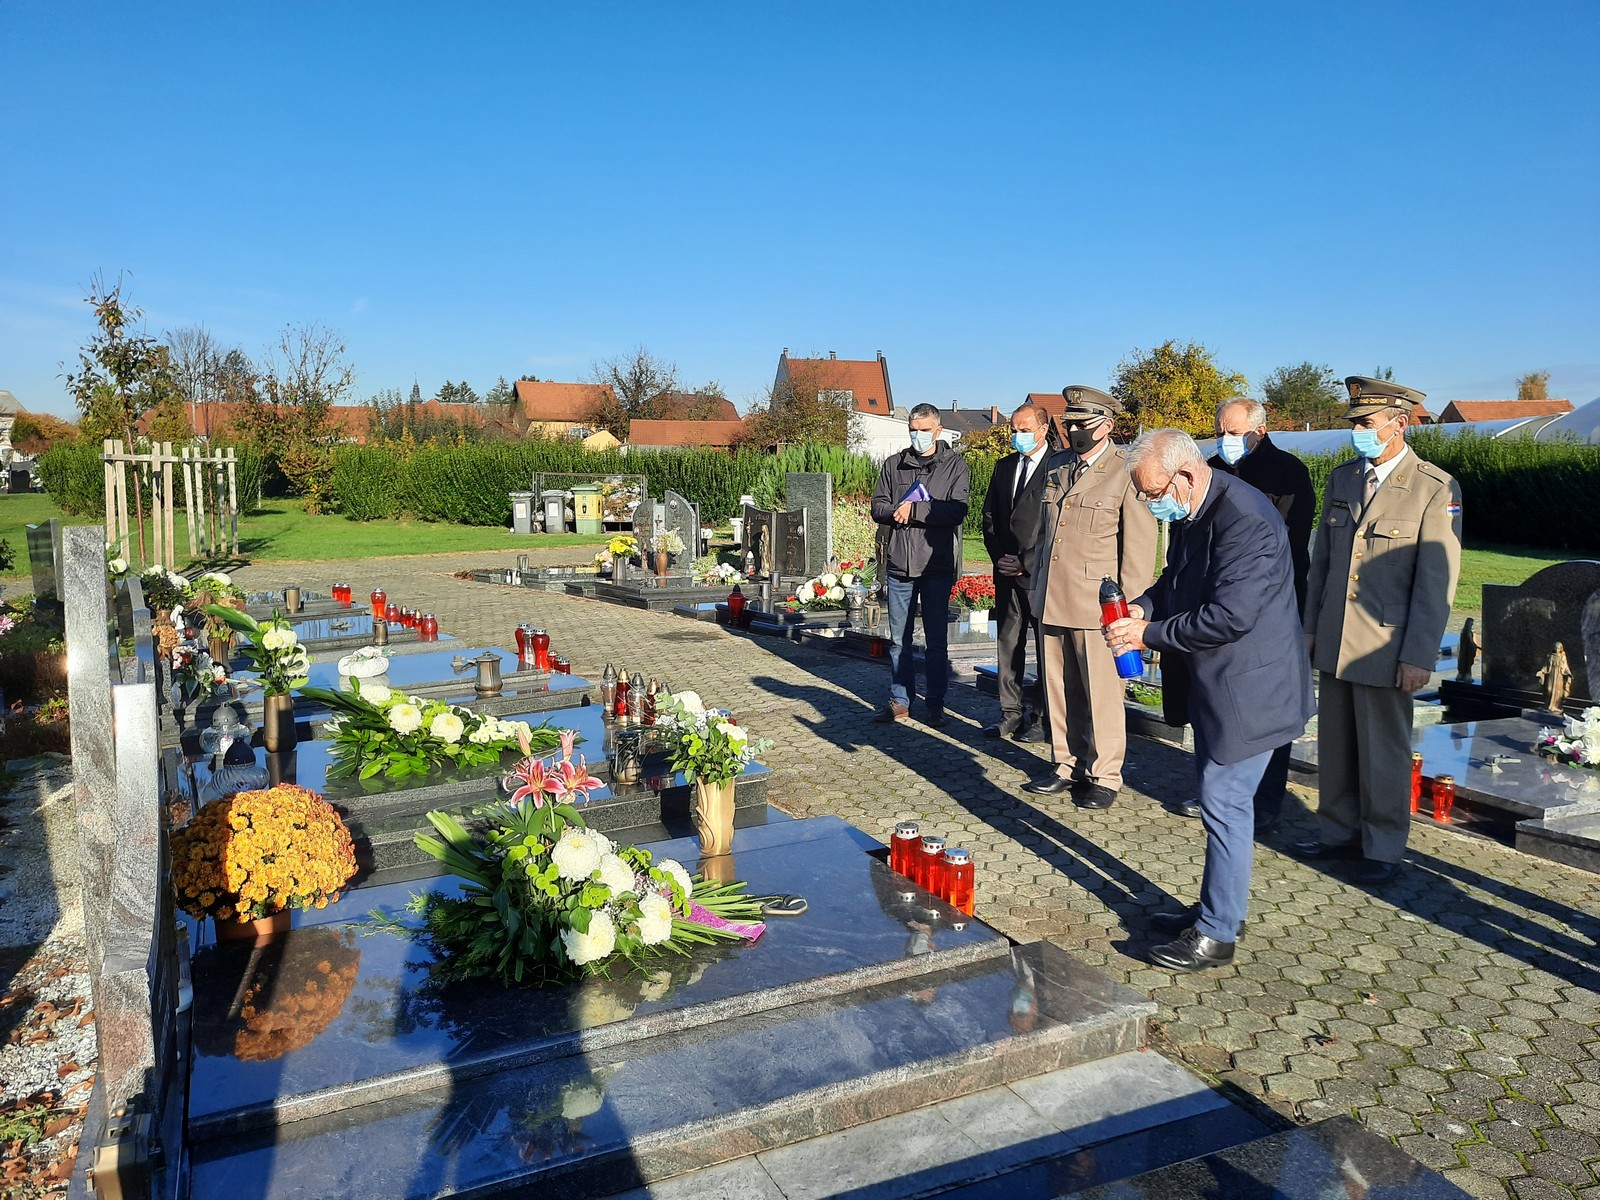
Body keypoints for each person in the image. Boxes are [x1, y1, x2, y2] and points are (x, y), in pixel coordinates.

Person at [1104, 430, 1313, 971]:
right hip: (1217, 688)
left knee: (1223, 801)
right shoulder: (1196, 510)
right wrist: (1139, 608)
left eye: (1153, 493)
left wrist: (1145, 637)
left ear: (1186, 476)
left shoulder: (1245, 519)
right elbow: (1176, 581)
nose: (1151, 504)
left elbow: (1230, 616)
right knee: (1223, 802)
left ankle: (1217, 934)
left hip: (1253, 689)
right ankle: (1217, 909)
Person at [1297, 376, 1462, 886]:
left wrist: (1419, 654)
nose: (1359, 433)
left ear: (1400, 423)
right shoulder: (1343, 479)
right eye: (1355, 424)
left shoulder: (1435, 488)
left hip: (1387, 643)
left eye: (1368, 424)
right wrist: (1309, 630)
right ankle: (1338, 833)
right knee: (1337, 744)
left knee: (1384, 750)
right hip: (1336, 637)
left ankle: (1384, 846)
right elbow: (1321, 562)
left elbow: (1437, 582)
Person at [1168, 396, 1315, 834]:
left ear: (1259, 430)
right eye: (1221, 432)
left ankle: (1266, 800)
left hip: (1266, 601)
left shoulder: (1288, 473)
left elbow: (1288, 541)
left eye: (1234, 433)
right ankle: (1213, 786)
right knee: (1210, 699)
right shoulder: (1206, 470)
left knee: (1262, 707)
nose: (1226, 441)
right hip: (1205, 602)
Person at [1023, 386, 1157, 808]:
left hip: (1099, 605)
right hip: (1052, 596)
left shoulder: (1126, 471)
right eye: (1071, 424)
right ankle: (1066, 764)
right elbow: (1046, 538)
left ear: (1108, 426)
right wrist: (1035, 587)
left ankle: (1105, 774)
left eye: (1084, 424)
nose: (1076, 430)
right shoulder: (1059, 466)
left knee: (1101, 692)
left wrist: (1129, 613)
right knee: (1058, 689)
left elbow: (1137, 548)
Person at [869, 403, 971, 727]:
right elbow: (877, 506)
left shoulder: (955, 466)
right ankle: (901, 700)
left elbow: (956, 510)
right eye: (913, 429)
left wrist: (916, 511)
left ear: (938, 430)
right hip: (900, 564)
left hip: (936, 564)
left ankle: (936, 703)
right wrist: (896, 510)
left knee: (936, 640)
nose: (918, 435)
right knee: (899, 639)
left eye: (924, 429)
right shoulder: (893, 465)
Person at [980, 402, 1054, 742]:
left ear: (1043, 429)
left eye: (1024, 430)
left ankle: (1041, 716)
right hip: (1005, 570)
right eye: (1014, 429)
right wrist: (1000, 558)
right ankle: (1009, 712)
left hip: (1039, 572)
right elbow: (991, 517)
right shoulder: (1004, 466)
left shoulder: (1058, 467)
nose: (1017, 435)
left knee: (1043, 647)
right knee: (1008, 643)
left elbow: (1053, 526)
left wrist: (1025, 560)